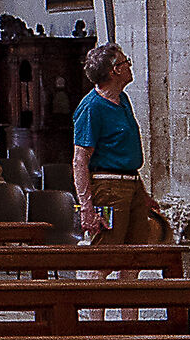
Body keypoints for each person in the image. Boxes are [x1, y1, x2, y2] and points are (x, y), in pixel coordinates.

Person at [72, 42, 168, 244]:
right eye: (126, 62)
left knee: (136, 255)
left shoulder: (122, 99)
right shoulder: (91, 107)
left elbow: (125, 154)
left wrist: (142, 192)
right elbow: (80, 161)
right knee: (106, 253)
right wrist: (86, 208)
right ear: (115, 70)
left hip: (131, 183)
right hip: (107, 188)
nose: (130, 66)